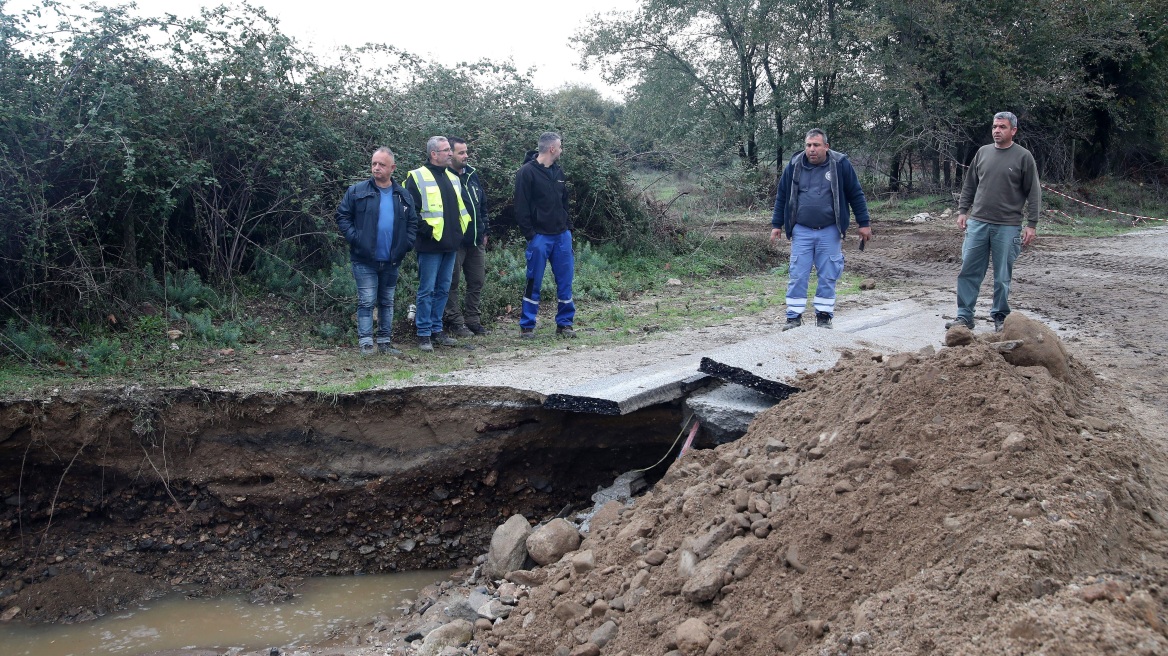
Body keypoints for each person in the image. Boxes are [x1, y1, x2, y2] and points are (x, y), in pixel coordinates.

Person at [770, 128, 872, 330]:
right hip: (802, 230)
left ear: (826, 146)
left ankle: (824, 317)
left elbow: (856, 194)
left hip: (829, 230)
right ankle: (793, 317)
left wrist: (864, 223)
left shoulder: (840, 164)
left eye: (816, 145)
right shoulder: (794, 165)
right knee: (798, 273)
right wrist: (776, 225)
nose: (811, 149)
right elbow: (782, 195)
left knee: (828, 274)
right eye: (808, 145)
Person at [948, 111, 1040, 333]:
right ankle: (964, 317)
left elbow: (1033, 191)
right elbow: (970, 185)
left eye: (1002, 127)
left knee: (1001, 276)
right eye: (994, 127)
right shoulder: (982, 153)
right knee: (969, 270)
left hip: (1007, 225)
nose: (997, 131)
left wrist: (1032, 224)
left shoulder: (1023, 156)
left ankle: (1000, 317)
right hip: (978, 222)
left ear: (1013, 131)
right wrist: (962, 211)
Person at [335, 147, 418, 356]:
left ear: (393, 168)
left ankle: (384, 343)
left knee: (387, 302)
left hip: (391, 260)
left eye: (381, 164)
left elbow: (412, 224)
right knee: (366, 301)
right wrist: (357, 239)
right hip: (364, 259)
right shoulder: (357, 191)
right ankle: (365, 344)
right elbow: (342, 217)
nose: (376, 168)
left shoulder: (403, 195)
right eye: (374, 163)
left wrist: (405, 245)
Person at [405, 136, 470, 351]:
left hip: (450, 244)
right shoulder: (416, 177)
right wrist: (429, 233)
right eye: (446, 150)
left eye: (450, 150)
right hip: (430, 245)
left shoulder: (452, 177)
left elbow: (460, 209)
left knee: (443, 289)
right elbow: (410, 213)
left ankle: (436, 329)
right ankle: (423, 333)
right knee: (427, 290)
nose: (450, 153)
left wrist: (459, 234)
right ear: (434, 154)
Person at [514, 131, 575, 338]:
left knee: (565, 281)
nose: (561, 150)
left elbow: (564, 202)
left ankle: (565, 324)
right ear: (552, 149)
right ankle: (527, 326)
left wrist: (567, 228)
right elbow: (520, 208)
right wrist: (531, 235)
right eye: (560, 147)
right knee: (534, 281)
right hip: (540, 237)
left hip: (561, 236)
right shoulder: (526, 173)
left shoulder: (558, 172)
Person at [443, 137, 491, 337]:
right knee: (452, 283)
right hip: (456, 242)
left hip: (476, 240)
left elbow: (482, 204)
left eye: (466, 152)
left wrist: (485, 230)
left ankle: (473, 320)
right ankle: (455, 322)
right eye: (461, 152)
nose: (466, 156)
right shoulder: (444, 177)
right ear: (450, 154)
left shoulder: (472, 174)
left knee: (477, 281)